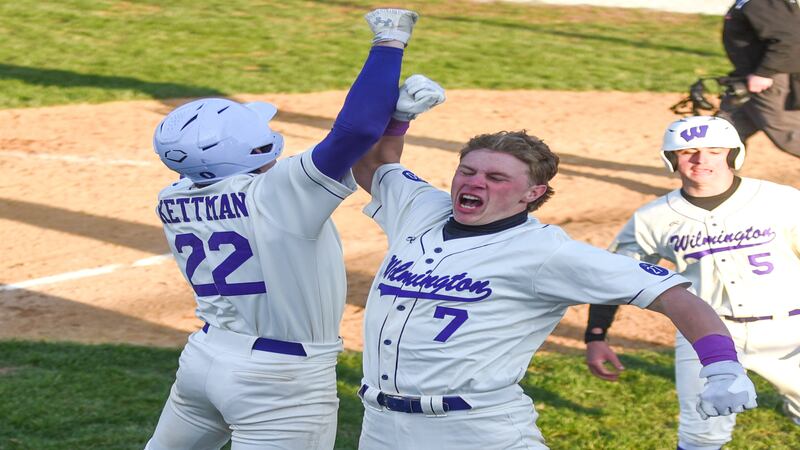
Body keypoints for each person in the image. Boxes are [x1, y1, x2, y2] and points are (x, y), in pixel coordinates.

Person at [350, 105, 759, 448]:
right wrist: (398, 118)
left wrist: (722, 367)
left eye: (496, 178)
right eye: (468, 171)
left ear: (533, 193)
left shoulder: (548, 253)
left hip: (475, 431)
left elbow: (674, 295)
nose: (474, 182)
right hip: (379, 426)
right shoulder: (421, 209)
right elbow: (374, 164)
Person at [143, 8, 420, 450]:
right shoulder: (277, 194)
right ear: (255, 146)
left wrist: (394, 120)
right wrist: (389, 42)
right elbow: (355, 131)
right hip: (281, 381)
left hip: (204, 361)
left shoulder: (173, 197)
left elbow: (358, 138)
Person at [583, 115, 800, 450]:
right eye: (688, 152)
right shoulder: (652, 218)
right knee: (701, 434)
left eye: (714, 151)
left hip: (791, 327)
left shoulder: (781, 200)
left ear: (733, 153)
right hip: (705, 334)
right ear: (670, 159)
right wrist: (595, 335)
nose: (702, 160)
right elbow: (616, 277)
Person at [716, 0, 800, 158]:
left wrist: (764, 73)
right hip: (751, 79)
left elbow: (790, 39)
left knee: (789, 136)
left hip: (769, 81)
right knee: (725, 132)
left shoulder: (765, 2)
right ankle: (718, 181)